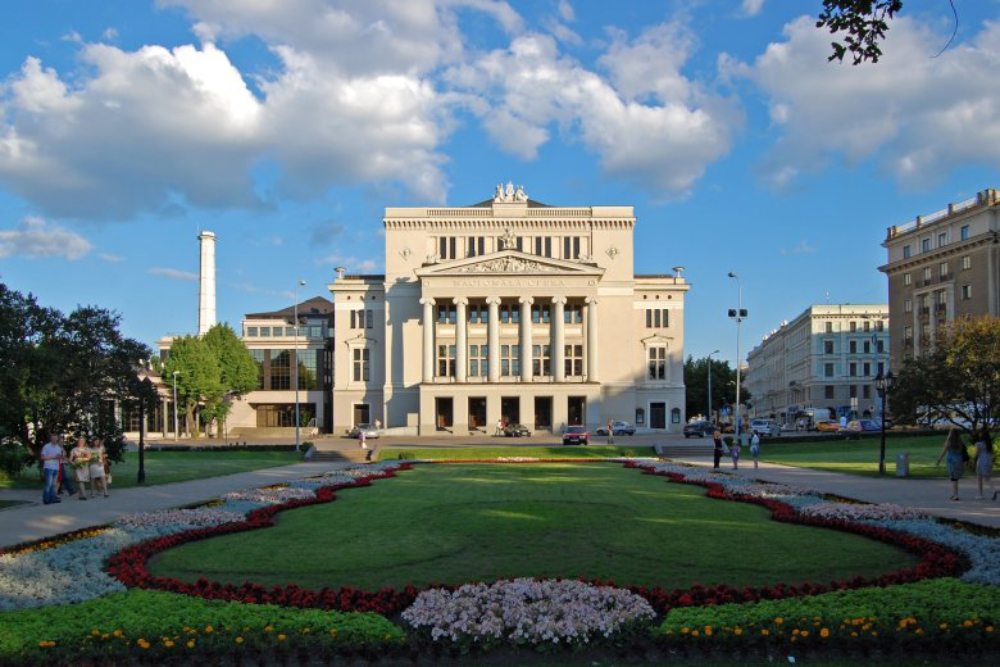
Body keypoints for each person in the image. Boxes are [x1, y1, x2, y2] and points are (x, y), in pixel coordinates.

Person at [936, 428, 966, 501]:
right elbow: (962, 451)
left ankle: (956, 495)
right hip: (959, 461)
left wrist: (939, 460)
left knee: (954, 479)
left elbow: (944, 452)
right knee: (955, 479)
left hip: (951, 462)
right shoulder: (960, 442)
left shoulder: (948, 442)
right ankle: (954, 494)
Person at [973, 429, 998, 501]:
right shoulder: (990, 445)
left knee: (979, 478)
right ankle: (993, 490)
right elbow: (992, 453)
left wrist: (973, 459)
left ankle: (981, 494)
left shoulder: (979, 444)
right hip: (988, 461)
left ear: (982, 436)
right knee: (987, 478)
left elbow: (977, 454)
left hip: (981, 462)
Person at [40, 434, 64, 505]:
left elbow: (60, 457)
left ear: (57, 439)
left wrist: (60, 457)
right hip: (49, 467)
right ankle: (46, 500)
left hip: (56, 467)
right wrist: (51, 457)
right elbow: (42, 457)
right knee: (48, 484)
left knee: (54, 485)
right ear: (50, 439)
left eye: (56, 438)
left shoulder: (58, 448)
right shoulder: (46, 446)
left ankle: (52, 498)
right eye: (53, 438)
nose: (54, 440)